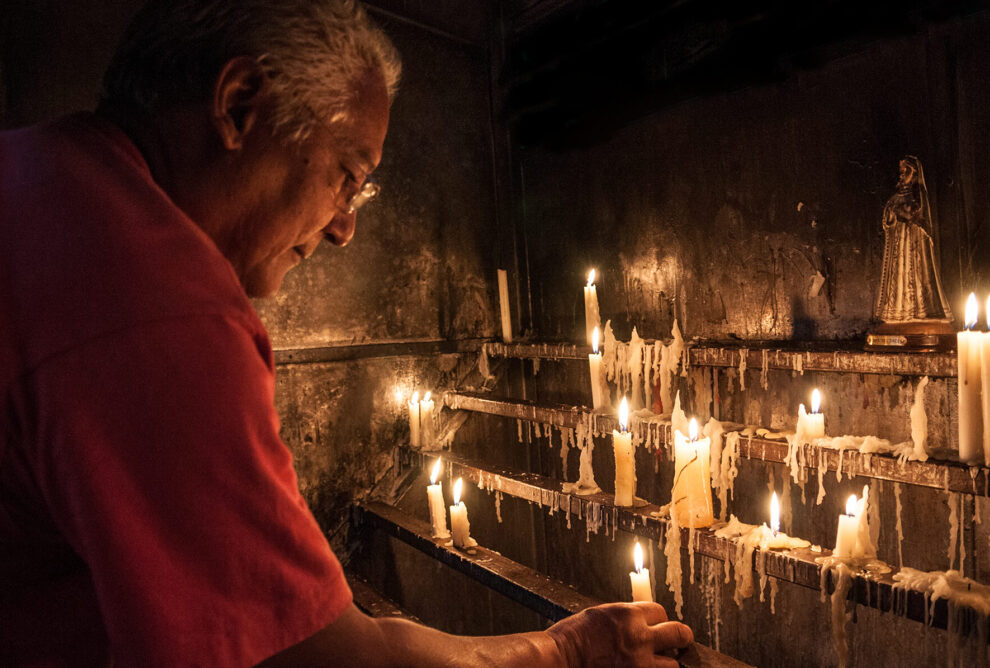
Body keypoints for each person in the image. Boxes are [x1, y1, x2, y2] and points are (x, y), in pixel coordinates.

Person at [0, 1, 693, 665]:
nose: (344, 228)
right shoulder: (157, 303)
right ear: (240, 104)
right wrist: (568, 651)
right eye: (348, 175)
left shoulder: (36, 173)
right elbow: (312, 659)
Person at [874, 155, 953, 323]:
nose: (901, 176)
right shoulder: (895, 198)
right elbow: (888, 221)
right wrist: (891, 215)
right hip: (899, 246)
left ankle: (921, 312)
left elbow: (916, 216)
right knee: (899, 278)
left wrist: (901, 212)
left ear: (915, 174)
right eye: (900, 173)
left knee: (916, 277)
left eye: (905, 172)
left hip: (914, 247)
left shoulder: (918, 196)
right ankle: (900, 313)